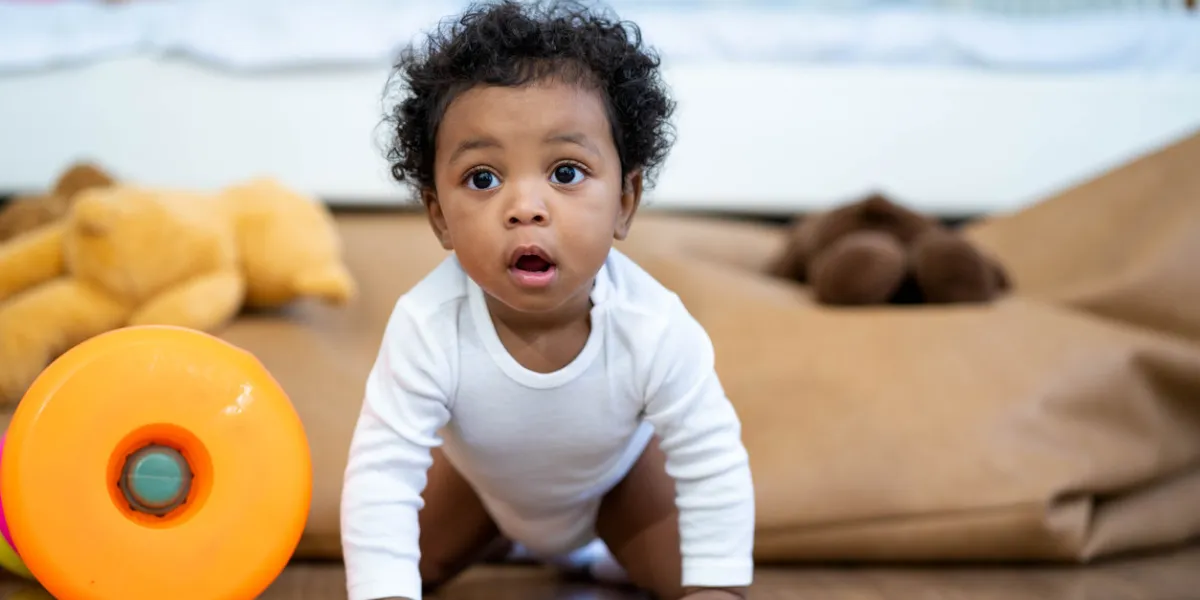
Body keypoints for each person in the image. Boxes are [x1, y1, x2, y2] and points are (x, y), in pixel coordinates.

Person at [339, 2, 756, 599]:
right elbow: (383, 474)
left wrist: (716, 586)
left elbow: (711, 456)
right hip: (481, 491)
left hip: (618, 490)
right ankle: (510, 538)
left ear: (625, 201)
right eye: (483, 178)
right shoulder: (427, 325)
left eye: (565, 172)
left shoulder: (653, 323)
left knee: (695, 580)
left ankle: (594, 555)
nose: (525, 206)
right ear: (439, 218)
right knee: (400, 568)